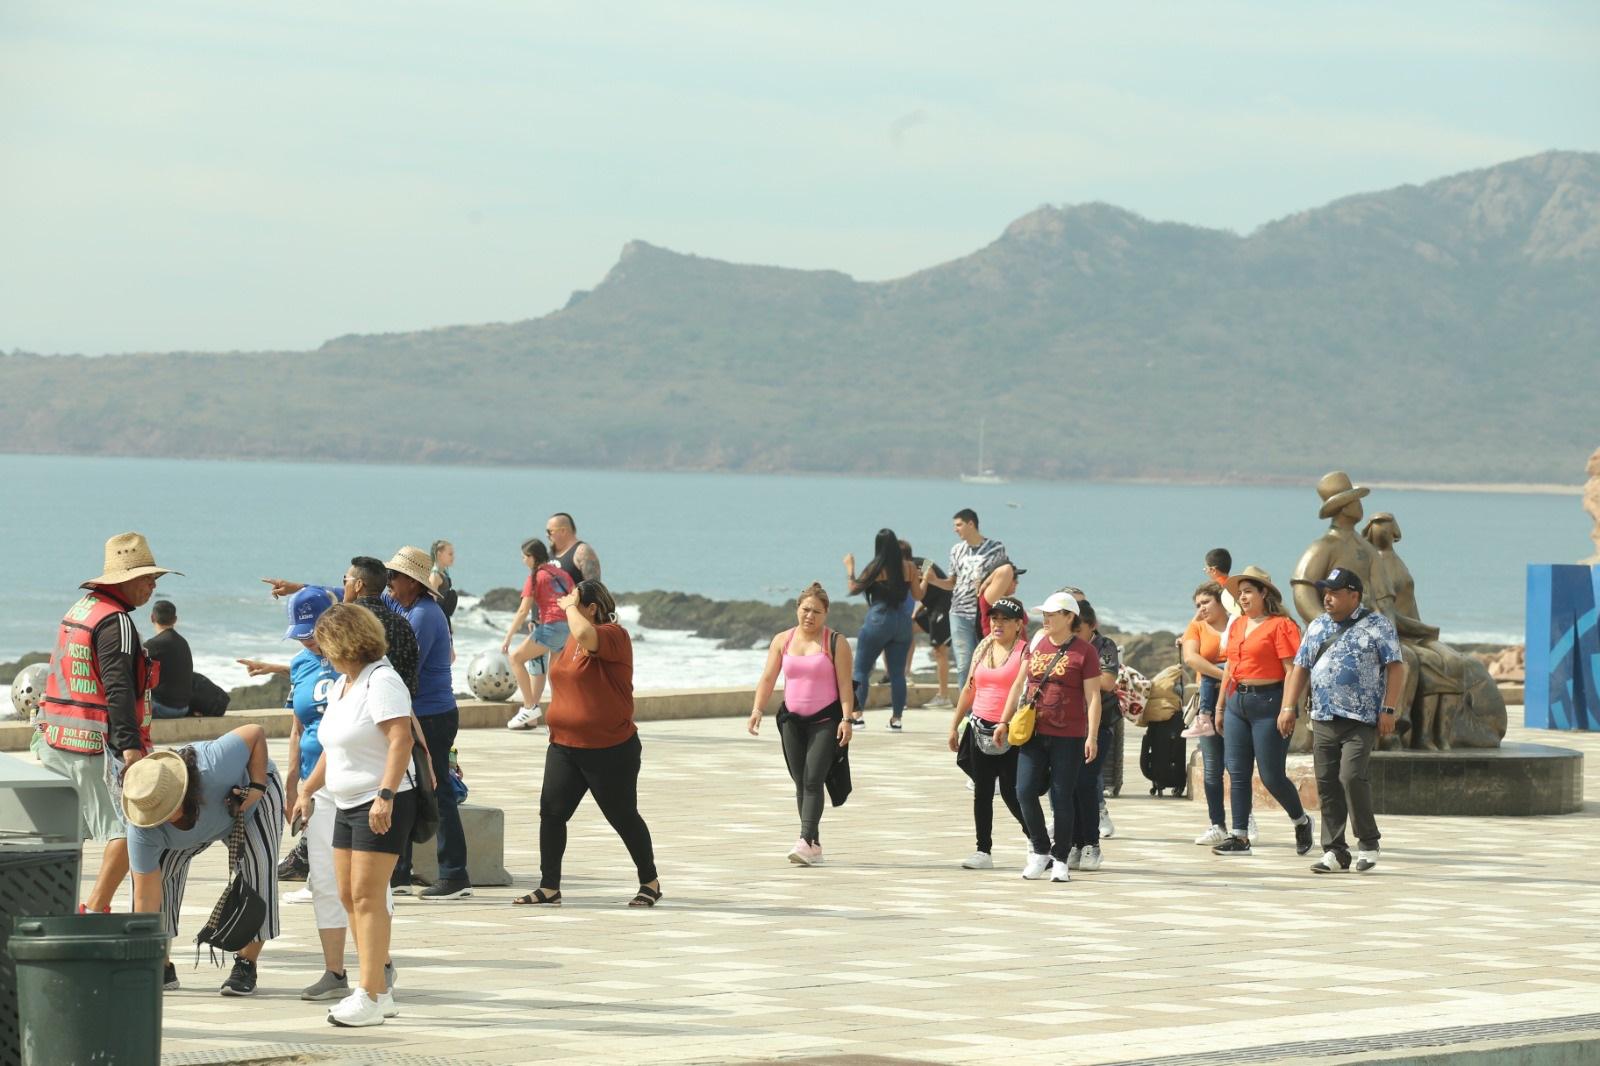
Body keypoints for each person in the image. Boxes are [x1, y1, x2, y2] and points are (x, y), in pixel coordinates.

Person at [265, 548, 464, 899]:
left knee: (433, 791)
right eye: (388, 576)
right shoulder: (401, 615)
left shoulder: (418, 617)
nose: (391, 582)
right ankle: (399, 874)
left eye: (396, 577)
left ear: (411, 582)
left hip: (423, 714)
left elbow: (398, 682)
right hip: (410, 712)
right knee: (419, 787)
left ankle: (453, 873)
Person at [240, 588, 387, 1002]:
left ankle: (379, 970)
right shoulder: (303, 664)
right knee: (326, 881)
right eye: (300, 634)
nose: (307, 641)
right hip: (316, 788)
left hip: (362, 786)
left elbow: (397, 731)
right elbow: (299, 727)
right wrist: (294, 783)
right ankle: (334, 971)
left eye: (313, 632)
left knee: (369, 888)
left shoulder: (370, 669)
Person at [36, 532, 180, 915]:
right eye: (149, 578)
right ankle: (96, 907)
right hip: (95, 744)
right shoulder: (116, 623)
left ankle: (57, 904)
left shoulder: (81, 609)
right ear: (126, 580)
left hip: (57, 736)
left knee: (66, 833)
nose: (153, 586)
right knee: (129, 827)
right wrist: (131, 748)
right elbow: (118, 687)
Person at [291, 603, 418, 1026]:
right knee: (348, 896)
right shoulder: (347, 684)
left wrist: (385, 795)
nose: (322, 654)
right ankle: (374, 990)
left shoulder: (381, 681)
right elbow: (334, 746)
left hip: (379, 801)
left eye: (326, 645)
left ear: (346, 643)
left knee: (367, 896)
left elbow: (400, 739)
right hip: (345, 801)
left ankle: (372, 992)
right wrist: (308, 789)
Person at [519, 579, 660, 908]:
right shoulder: (571, 638)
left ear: (591, 608)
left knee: (622, 815)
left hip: (610, 748)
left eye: (574, 601)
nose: (567, 604)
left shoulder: (614, 635)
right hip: (564, 746)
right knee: (551, 813)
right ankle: (549, 886)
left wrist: (567, 608)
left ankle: (650, 881)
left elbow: (586, 635)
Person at [123, 723, 282, 996]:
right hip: (205, 822)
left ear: (183, 792)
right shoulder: (143, 828)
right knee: (159, 878)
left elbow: (255, 732)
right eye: (156, 814)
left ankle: (246, 964)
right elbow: (145, 900)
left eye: (167, 809)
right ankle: (160, 965)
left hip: (248, 798)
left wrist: (256, 785)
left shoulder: (214, 765)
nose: (161, 819)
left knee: (259, 869)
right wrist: (143, 957)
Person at [1282, 568, 1403, 874]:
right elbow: (1300, 668)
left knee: (1350, 777)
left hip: (1360, 719)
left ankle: (1368, 842)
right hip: (1322, 717)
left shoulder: (1377, 625)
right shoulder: (1318, 626)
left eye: (1334, 593)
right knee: (1326, 784)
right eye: (1325, 592)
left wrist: (1388, 709)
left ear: (1354, 595)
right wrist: (1287, 707)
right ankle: (1335, 852)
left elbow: (1396, 667)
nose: (1327, 598)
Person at [995, 591, 1101, 883]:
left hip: (1069, 734)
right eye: (1045, 614)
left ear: (1069, 617)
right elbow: (1019, 684)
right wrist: (1004, 721)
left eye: (1053, 614)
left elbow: (1093, 697)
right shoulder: (1037, 644)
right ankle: (1041, 849)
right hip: (1034, 731)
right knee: (1024, 791)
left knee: (1062, 795)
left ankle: (1061, 858)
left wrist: (1092, 736)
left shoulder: (1085, 652)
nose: (1046, 619)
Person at [749, 583, 855, 866]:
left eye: (816, 612)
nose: (810, 616)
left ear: (826, 613)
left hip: (825, 721)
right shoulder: (782, 640)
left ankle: (805, 840)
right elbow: (768, 678)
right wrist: (758, 708)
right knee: (801, 782)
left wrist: (846, 719)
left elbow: (846, 685)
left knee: (813, 780)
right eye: (805, 610)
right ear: (797, 609)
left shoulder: (835, 642)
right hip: (791, 722)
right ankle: (814, 844)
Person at [1212, 566, 1314, 857]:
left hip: (1269, 704)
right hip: (1236, 703)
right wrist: (1219, 707)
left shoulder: (1281, 625)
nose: (1242, 597)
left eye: (1247, 591)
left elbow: (1292, 670)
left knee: (1271, 775)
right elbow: (1229, 668)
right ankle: (1240, 836)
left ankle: (1301, 820)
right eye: (1239, 593)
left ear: (1263, 593)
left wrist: (1289, 707)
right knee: (1238, 772)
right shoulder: (1238, 625)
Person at [945, 596, 1028, 870]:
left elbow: (1020, 691)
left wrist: (1005, 723)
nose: (998, 624)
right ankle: (983, 850)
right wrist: (955, 724)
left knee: (1011, 792)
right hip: (979, 728)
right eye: (994, 618)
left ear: (1018, 624)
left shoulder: (1025, 652)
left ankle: (1037, 841)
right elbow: (970, 688)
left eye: (1005, 619)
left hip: (1009, 731)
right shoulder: (983, 647)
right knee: (982, 791)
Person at [1182, 582, 1256, 846]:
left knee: (1237, 766)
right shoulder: (1197, 628)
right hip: (1210, 702)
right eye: (1198, 605)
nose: (1202, 608)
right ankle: (1217, 825)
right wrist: (1226, 674)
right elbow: (1192, 659)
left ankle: (1245, 820)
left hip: (1239, 700)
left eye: (1206, 602)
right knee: (1212, 769)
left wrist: (1228, 674)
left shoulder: (1240, 624)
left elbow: (1248, 658)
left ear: (1221, 602)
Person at [844, 530, 924, 730]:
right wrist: (925, 579)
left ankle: (857, 716)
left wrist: (850, 568)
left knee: (861, 670)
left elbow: (854, 589)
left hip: (878, 619)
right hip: (902, 623)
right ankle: (896, 720)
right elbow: (918, 594)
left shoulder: (875, 566)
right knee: (897, 673)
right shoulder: (910, 567)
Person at [923, 509, 1009, 690]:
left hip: (985, 614)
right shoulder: (956, 550)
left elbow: (1006, 579)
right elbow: (952, 583)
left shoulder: (996, 548)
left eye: (959, 525)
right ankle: (966, 715)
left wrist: (987, 585)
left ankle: (984, 709)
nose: (955, 529)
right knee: (963, 665)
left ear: (971, 524)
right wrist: (934, 581)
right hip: (959, 613)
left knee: (986, 662)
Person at [1067, 598, 1119, 872]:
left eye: (1079, 629)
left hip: (1099, 726)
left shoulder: (1104, 646)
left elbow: (1108, 682)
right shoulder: (1064, 647)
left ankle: (1092, 844)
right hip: (1068, 725)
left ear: (1092, 626)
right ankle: (1074, 843)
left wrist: (1080, 675)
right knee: (1069, 786)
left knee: (1086, 783)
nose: (1074, 635)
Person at [503, 538, 575, 731]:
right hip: (568, 628)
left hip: (551, 626)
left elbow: (523, 610)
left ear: (533, 557)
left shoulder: (535, 577)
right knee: (556, 674)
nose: (523, 561)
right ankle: (564, 714)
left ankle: (529, 707)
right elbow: (574, 598)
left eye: (524, 557)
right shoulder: (561, 573)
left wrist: (508, 637)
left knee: (516, 658)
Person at [907, 543, 954, 708]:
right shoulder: (905, 570)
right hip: (930, 607)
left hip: (944, 606)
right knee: (907, 630)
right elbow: (923, 595)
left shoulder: (923, 562)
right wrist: (917, 611)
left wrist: (925, 577)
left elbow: (929, 579)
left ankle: (944, 696)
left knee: (940, 650)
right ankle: (906, 675)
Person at [145, 600, 194, 719]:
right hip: (184, 708)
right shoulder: (183, 643)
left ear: (152, 618)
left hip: (164, 708)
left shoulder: (152, 645)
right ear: (175, 619)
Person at [546, 512, 601, 585]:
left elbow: (595, 588)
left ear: (563, 531)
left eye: (550, 531)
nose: (547, 535)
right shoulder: (548, 555)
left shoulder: (582, 552)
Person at [428, 540, 459, 627]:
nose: (453, 557)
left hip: (444, 619)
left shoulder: (443, 573)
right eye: (450, 554)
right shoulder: (435, 575)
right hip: (438, 622)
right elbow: (430, 603)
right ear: (439, 554)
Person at [1203, 547, 1239, 615]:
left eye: (1206, 569)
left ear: (1213, 570)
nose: (1206, 572)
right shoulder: (1235, 584)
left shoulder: (1213, 589)